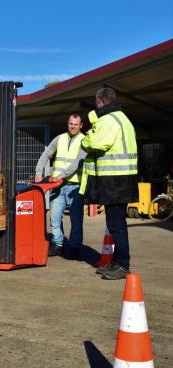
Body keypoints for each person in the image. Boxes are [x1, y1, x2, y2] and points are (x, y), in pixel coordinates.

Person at [80, 87, 138, 280]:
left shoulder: (107, 120)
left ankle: (122, 264)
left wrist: (86, 138)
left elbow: (95, 143)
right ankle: (116, 261)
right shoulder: (124, 119)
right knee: (116, 223)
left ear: (99, 103)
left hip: (114, 180)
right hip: (124, 178)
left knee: (116, 224)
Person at [35, 114, 87, 258]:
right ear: (67, 123)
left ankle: (75, 247)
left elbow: (78, 162)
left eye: (76, 124)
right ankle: (58, 244)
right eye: (71, 123)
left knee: (76, 220)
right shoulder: (59, 138)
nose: (73, 126)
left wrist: (61, 175)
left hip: (75, 186)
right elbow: (46, 154)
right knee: (54, 218)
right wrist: (39, 172)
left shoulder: (85, 141)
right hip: (56, 186)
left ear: (81, 125)